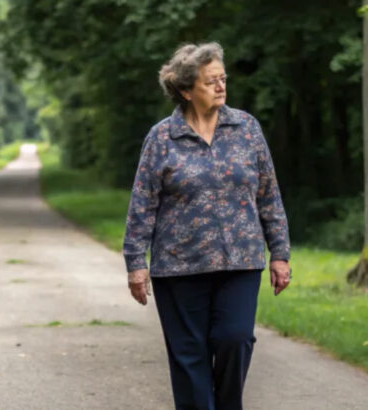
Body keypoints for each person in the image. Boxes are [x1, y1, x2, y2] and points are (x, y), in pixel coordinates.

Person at [123, 43, 291, 410]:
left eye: (222, 78)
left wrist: (279, 254)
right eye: (210, 81)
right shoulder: (161, 138)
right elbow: (143, 204)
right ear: (186, 90)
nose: (220, 86)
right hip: (179, 265)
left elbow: (268, 194)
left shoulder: (246, 128)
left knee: (236, 339)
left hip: (240, 262)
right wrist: (136, 263)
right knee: (188, 356)